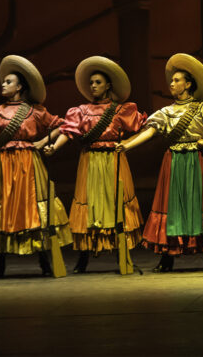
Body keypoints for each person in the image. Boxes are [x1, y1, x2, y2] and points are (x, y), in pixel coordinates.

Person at [119, 54, 203, 272]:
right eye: (171, 81)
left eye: (177, 80)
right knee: (172, 205)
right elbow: (149, 132)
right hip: (174, 160)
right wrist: (128, 146)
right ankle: (167, 257)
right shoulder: (165, 112)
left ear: (188, 84)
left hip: (198, 159)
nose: (172, 83)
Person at [0, 55, 71, 277]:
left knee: (33, 208)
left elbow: (63, 125)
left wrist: (43, 142)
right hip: (5, 163)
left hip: (30, 163)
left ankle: (44, 260)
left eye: (8, 81)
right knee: (4, 207)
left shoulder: (36, 111)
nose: (3, 84)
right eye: (3, 82)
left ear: (20, 86)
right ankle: (0, 263)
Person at [41, 56, 145, 273]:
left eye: (98, 82)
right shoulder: (80, 110)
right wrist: (54, 147)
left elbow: (143, 127)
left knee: (116, 203)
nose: (93, 86)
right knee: (90, 205)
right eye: (91, 83)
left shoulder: (121, 110)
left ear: (108, 85)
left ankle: (123, 255)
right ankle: (83, 258)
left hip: (114, 159)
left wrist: (127, 143)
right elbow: (68, 132)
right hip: (90, 160)